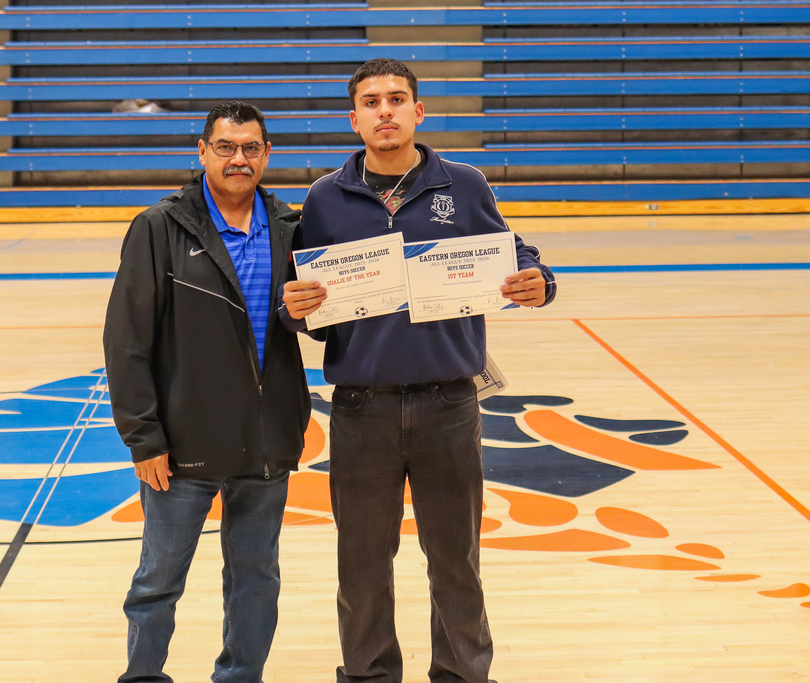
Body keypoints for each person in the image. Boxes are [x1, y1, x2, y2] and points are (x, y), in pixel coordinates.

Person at [281, 59, 557, 683]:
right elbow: (306, 300)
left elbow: (515, 254)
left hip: (448, 404)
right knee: (362, 563)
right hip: (361, 407)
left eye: (397, 99)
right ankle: (369, 675)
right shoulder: (326, 197)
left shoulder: (465, 184)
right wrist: (295, 311)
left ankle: (462, 675)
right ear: (353, 119)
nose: (385, 111)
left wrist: (539, 279)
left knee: (455, 560)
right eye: (371, 102)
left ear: (418, 112)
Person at [103, 100, 311, 683]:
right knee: (157, 582)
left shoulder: (293, 228)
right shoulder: (158, 228)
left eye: (251, 148)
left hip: (266, 442)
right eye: (225, 147)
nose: (238, 159)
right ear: (203, 152)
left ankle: (240, 676)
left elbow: (314, 323)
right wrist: (144, 439)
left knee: (256, 579)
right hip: (182, 446)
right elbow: (126, 343)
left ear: (267, 154)